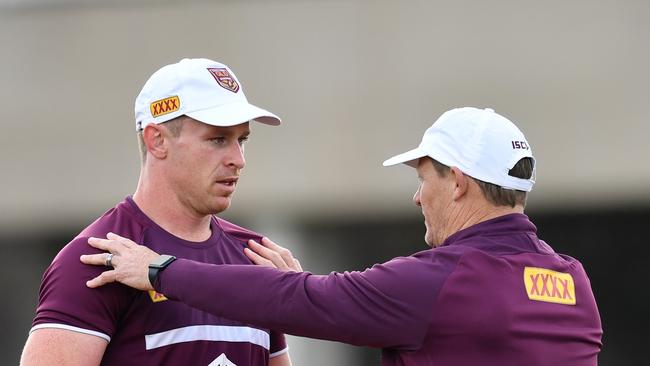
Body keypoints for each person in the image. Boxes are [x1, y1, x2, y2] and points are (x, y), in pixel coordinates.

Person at [80, 107, 603, 365]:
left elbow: (310, 300)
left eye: (423, 178)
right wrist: (300, 292)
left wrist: (159, 270)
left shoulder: (442, 283)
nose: (418, 197)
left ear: (459, 182)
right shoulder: (572, 283)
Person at [21, 58, 292, 366]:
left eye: (241, 140)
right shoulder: (98, 258)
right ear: (157, 140)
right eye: (218, 139)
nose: (238, 159)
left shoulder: (256, 258)